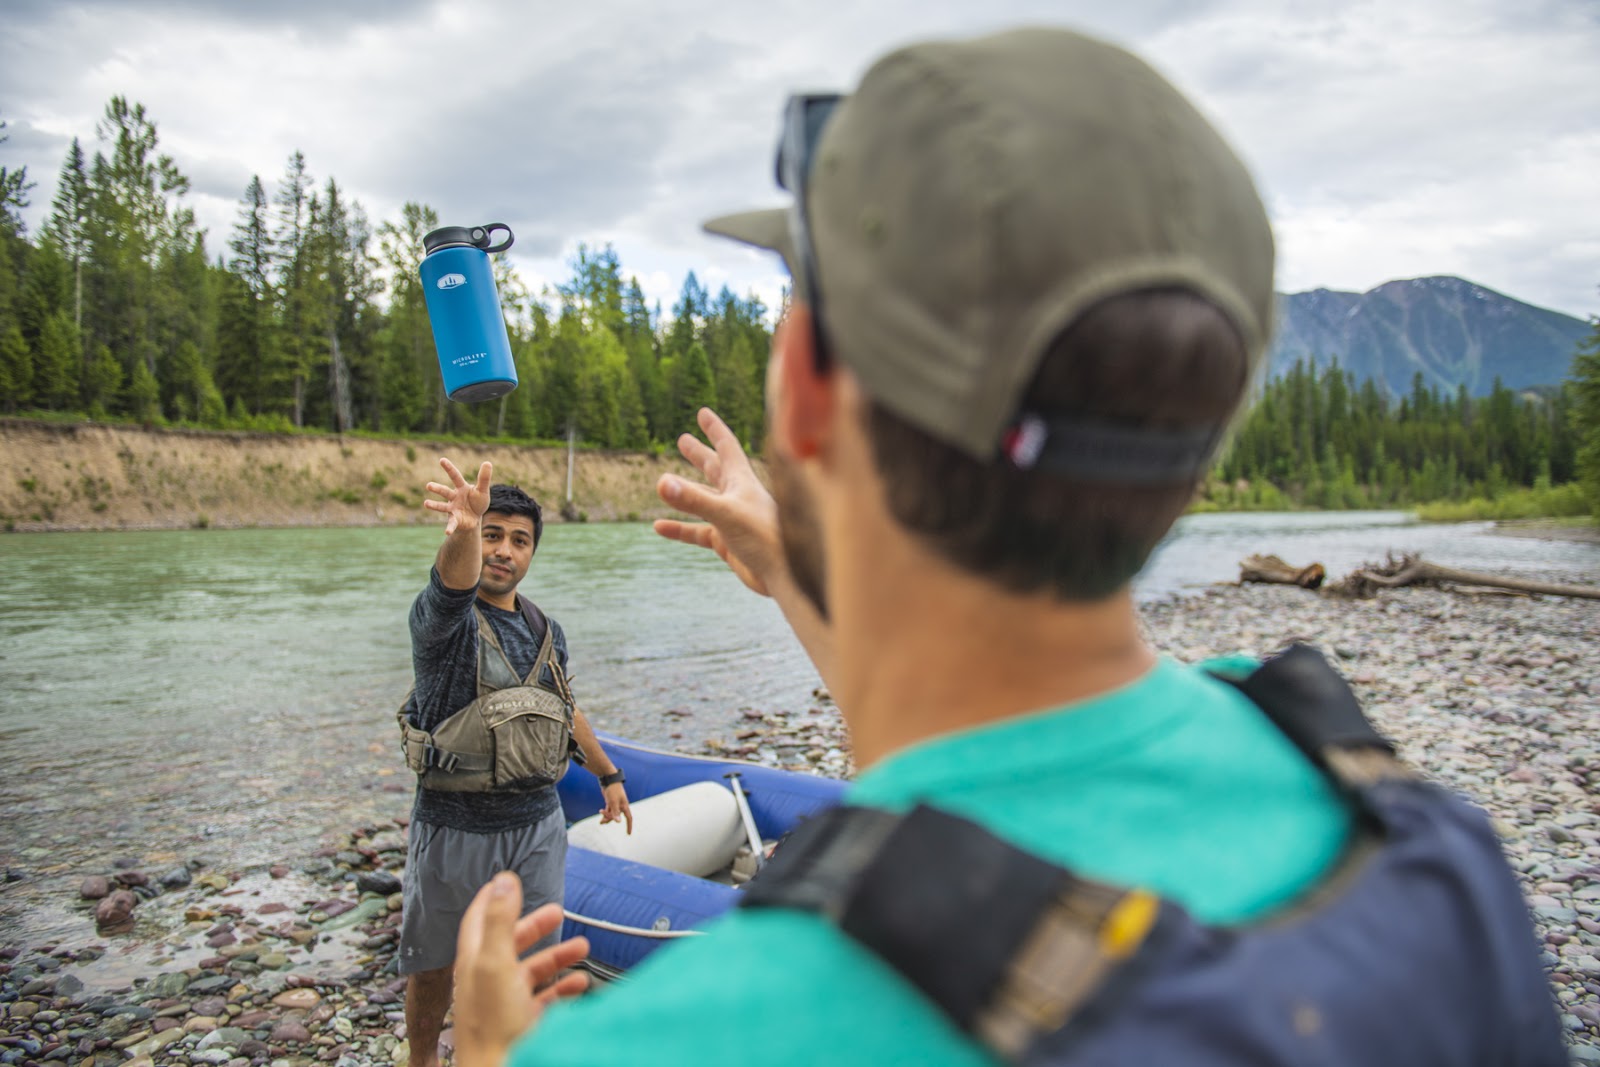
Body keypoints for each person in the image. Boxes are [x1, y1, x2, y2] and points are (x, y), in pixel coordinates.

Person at [447, 26, 1562, 1067]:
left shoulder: (704, 1035)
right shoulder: (1364, 788)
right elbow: (974, 773)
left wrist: (501, 1044)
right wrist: (798, 573)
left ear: (810, 391)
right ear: (1192, 450)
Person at [397, 458, 631, 1067]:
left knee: (535, 963)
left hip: (537, 826)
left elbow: (564, 705)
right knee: (434, 966)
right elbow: (452, 584)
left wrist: (607, 774)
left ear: (532, 552)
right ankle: (421, 1059)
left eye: (518, 540)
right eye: (493, 535)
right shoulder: (442, 624)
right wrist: (464, 531)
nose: (504, 550)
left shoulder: (544, 626)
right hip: (454, 825)